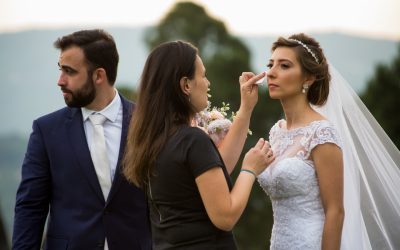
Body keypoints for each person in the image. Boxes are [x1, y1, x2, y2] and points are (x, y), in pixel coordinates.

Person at [122, 40, 275, 249]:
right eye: (203, 75)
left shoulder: (155, 140)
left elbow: (215, 176)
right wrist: (250, 169)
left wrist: (246, 109)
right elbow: (226, 216)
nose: (207, 83)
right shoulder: (192, 139)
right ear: (186, 85)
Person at [258, 33, 400, 250]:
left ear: (308, 78)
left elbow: (336, 211)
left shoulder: (322, 133)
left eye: (284, 66)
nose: (271, 73)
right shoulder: (277, 131)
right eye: (271, 64)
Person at [12, 29, 151, 250]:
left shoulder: (146, 124)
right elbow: (30, 207)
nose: (60, 81)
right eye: (60, 70)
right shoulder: (46, 131)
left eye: (70, 72)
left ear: (99, 76)